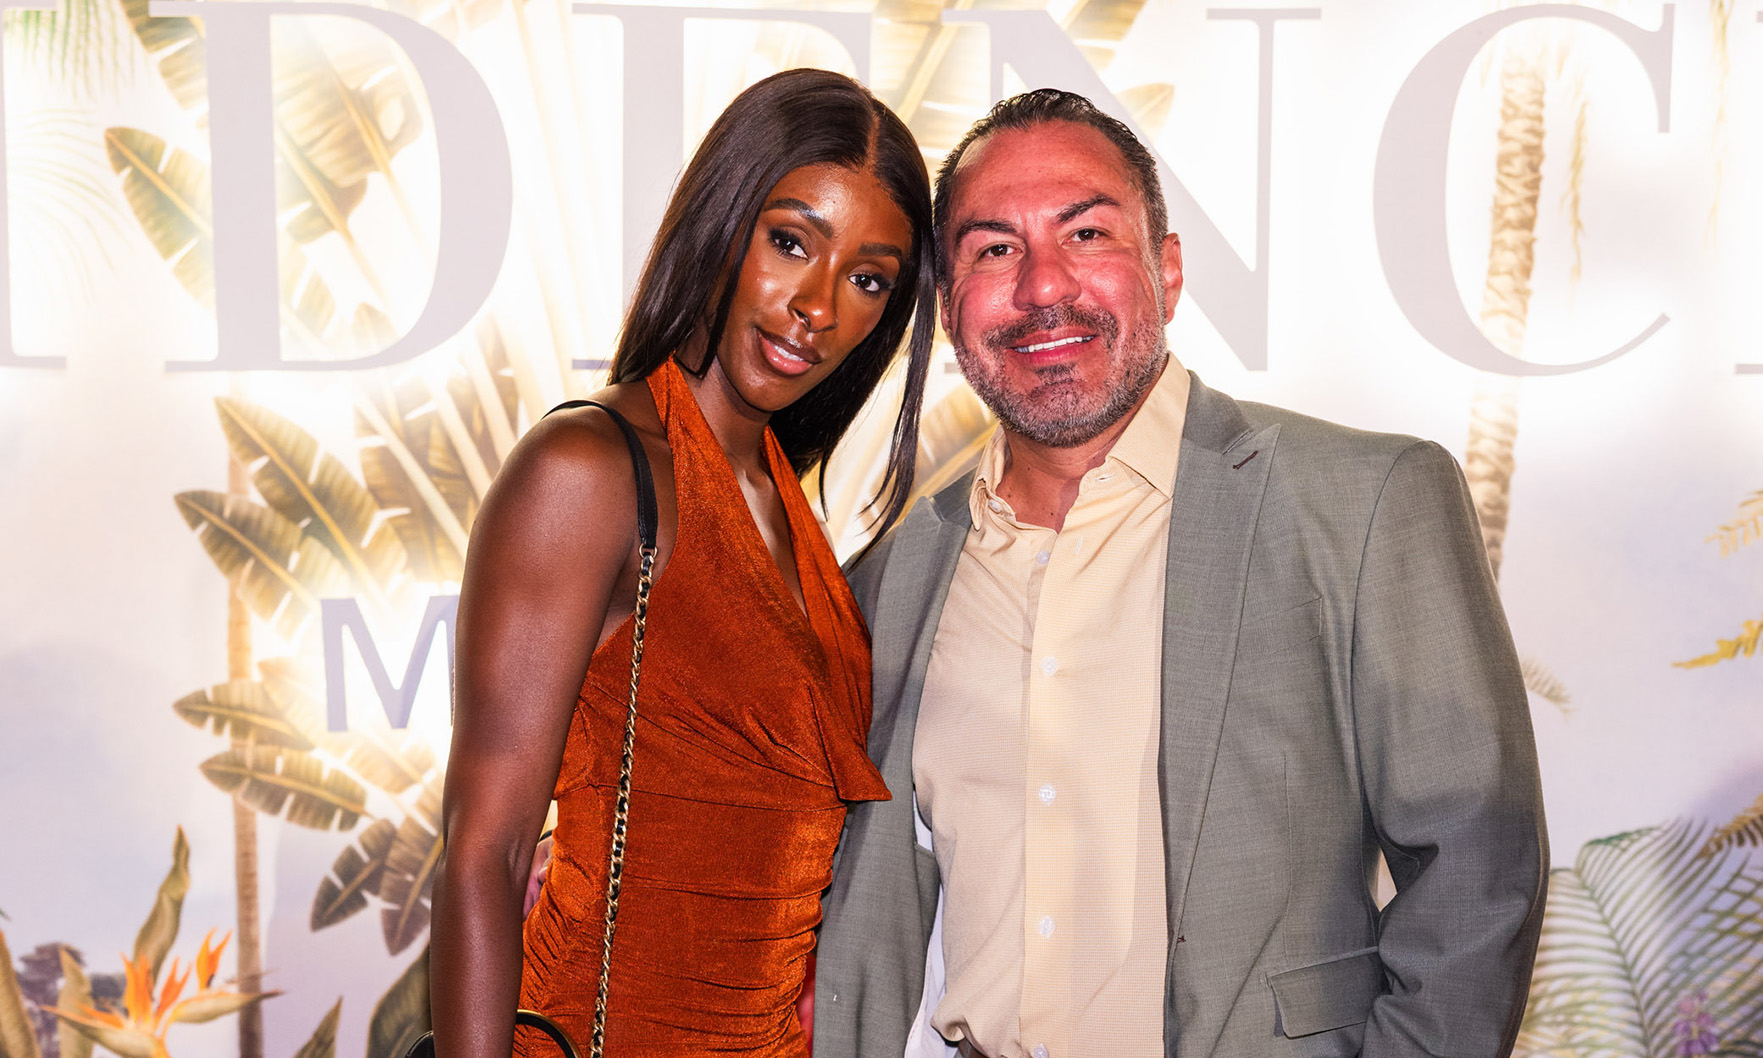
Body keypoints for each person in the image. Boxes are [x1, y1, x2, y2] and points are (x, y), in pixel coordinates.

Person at [812, 90, 1548, 1058]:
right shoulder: (893, 571)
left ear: (1165, 268)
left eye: (1085, 233)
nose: (1041, 285)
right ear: (950, 309)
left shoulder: (1361, 505)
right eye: (992, 249)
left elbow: (1475, 871)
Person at [431, 68, 937, 1058]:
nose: (816, 305)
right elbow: (484, 851)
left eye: (867, 279)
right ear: (721, 223)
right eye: (789, 242)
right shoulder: (586, 471)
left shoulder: (783, 501)